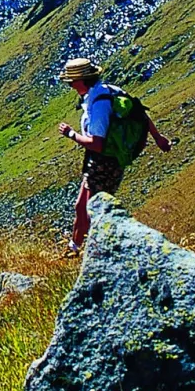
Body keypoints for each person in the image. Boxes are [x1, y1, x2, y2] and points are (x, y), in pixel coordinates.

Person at [55, 57, 171, 254]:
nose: (70, 86)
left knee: (94, 211)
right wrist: (158, 138)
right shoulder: (110, 90)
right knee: (81, 206)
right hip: (105, 161)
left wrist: (71, 134)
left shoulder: (98, 105)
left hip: (104, 163)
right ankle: (74, 248)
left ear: (81, 81)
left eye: (71, 82)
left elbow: (97, 144)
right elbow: (140, 112)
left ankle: (98, 253)